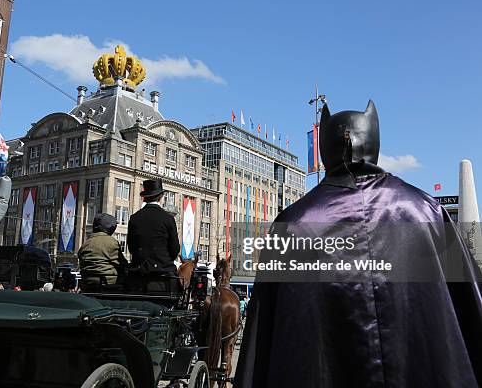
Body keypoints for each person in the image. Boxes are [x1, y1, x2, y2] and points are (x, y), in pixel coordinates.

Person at [235, 101, 482, 387]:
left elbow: (260, 341)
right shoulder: (427, 211)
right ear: (374, 143)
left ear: (325, 149)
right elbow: (471, 313)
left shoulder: (292, 225)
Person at [127, 179, 180, 292]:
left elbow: (131, 247)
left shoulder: (134, 218)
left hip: (138, 276)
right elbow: (175, 249)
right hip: (163, 276)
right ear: (161, 196)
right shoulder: (168, 219)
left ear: (145, 197)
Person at [78, 213, 127, 291]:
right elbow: (122, 264)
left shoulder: (86, 244)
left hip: (87, 284)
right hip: (108, 284)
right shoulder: (112, 242)